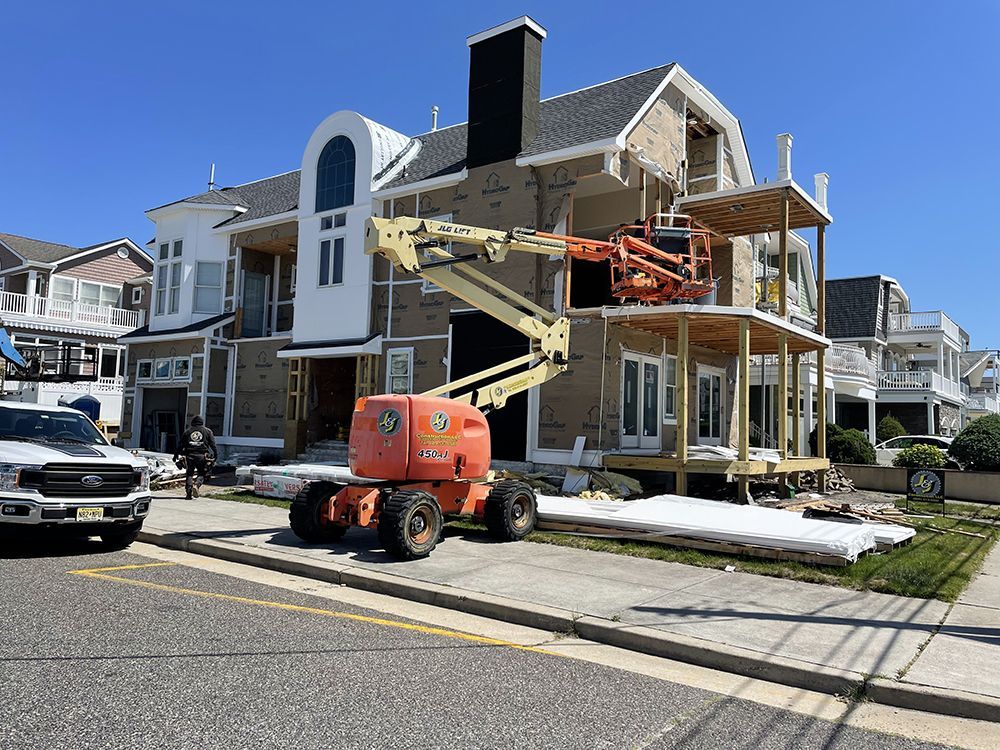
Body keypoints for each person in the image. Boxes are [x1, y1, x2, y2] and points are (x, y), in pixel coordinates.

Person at [173, 415, 217, 499]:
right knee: (202, 473)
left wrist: (176, 455)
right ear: (202, 423)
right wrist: (215, 454)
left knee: (189, 474)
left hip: (189, 456)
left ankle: (188, 493)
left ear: (193, 422)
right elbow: (213, 444)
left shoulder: (188, 431)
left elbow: (180, 445)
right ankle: (196, 485)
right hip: (202, 456)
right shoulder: (207, 431)